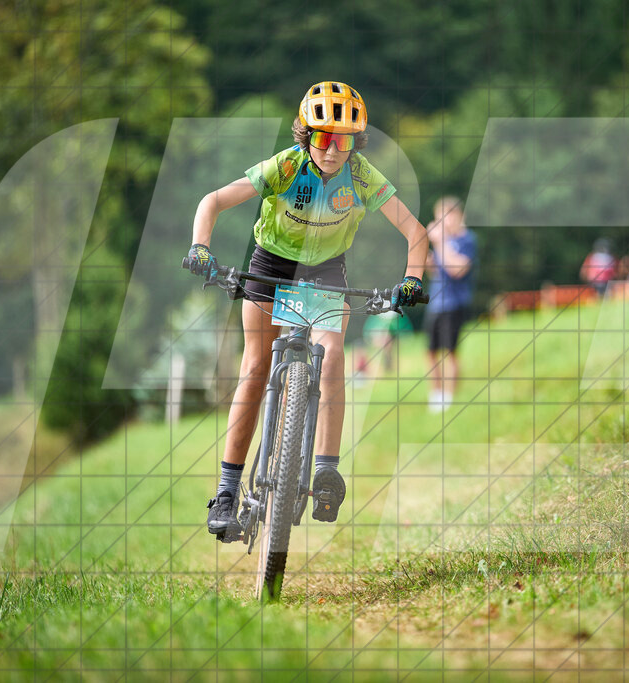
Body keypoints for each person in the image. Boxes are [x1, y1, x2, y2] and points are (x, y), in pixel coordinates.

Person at [187, 81, 428, 541]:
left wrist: (412, 280)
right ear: (306, 135)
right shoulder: (286, 166)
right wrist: (201, 247)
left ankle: (326, 473)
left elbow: (416, 233)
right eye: (324, 138)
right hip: (271, 262)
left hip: (325, 271)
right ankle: (226, 492)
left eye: (346, 140)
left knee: (332, 355)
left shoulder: (361, 176)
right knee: (255, 367)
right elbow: (212, 201)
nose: (334, 150)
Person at [423, 196, 477, 412]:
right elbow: (438, 271)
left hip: (455, 303)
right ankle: (436, 395)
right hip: (436, 302)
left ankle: (450, 397)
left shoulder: (466, 240)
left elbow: (458, 269)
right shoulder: (443, 242)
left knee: (450, 351)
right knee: (431, 351)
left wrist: (438, 242)